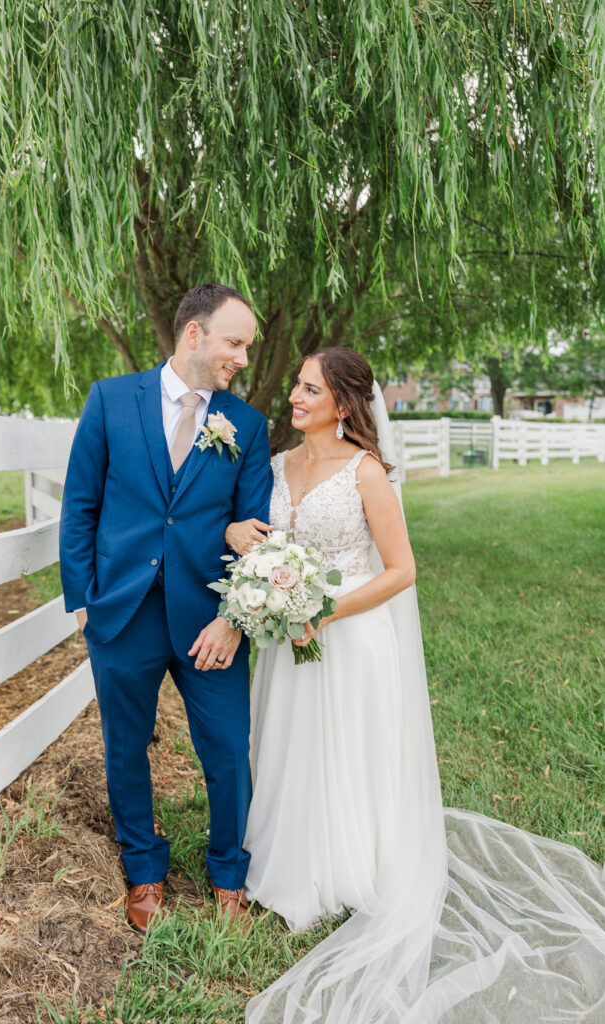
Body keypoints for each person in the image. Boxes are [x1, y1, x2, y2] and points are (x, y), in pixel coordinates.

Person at [225, 348, 604, 1023]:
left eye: (309, 388)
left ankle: (345, 870)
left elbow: (401, 571)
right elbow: (254, 533)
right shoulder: (277, 465)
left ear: (343, 405)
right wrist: (244, 545)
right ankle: (287, 861)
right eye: (296, 385)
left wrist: (321, 610)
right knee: (291, 743)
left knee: (345, 748)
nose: (294, 395)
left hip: (347, 630)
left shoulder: (365, 473)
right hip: (290, 637)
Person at [59, 283, 273, 935]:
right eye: (234, 343)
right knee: (125, 746)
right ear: (193, 335)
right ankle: (144, 869)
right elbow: (80, 507)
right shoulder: (109, 401)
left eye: (247, 347)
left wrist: (234, 619)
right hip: (120, 612)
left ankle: (228, 875)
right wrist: (83, 600)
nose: (242, 358)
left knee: (229, 750)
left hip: (209, 619)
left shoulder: (245, 426)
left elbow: (255, 530)